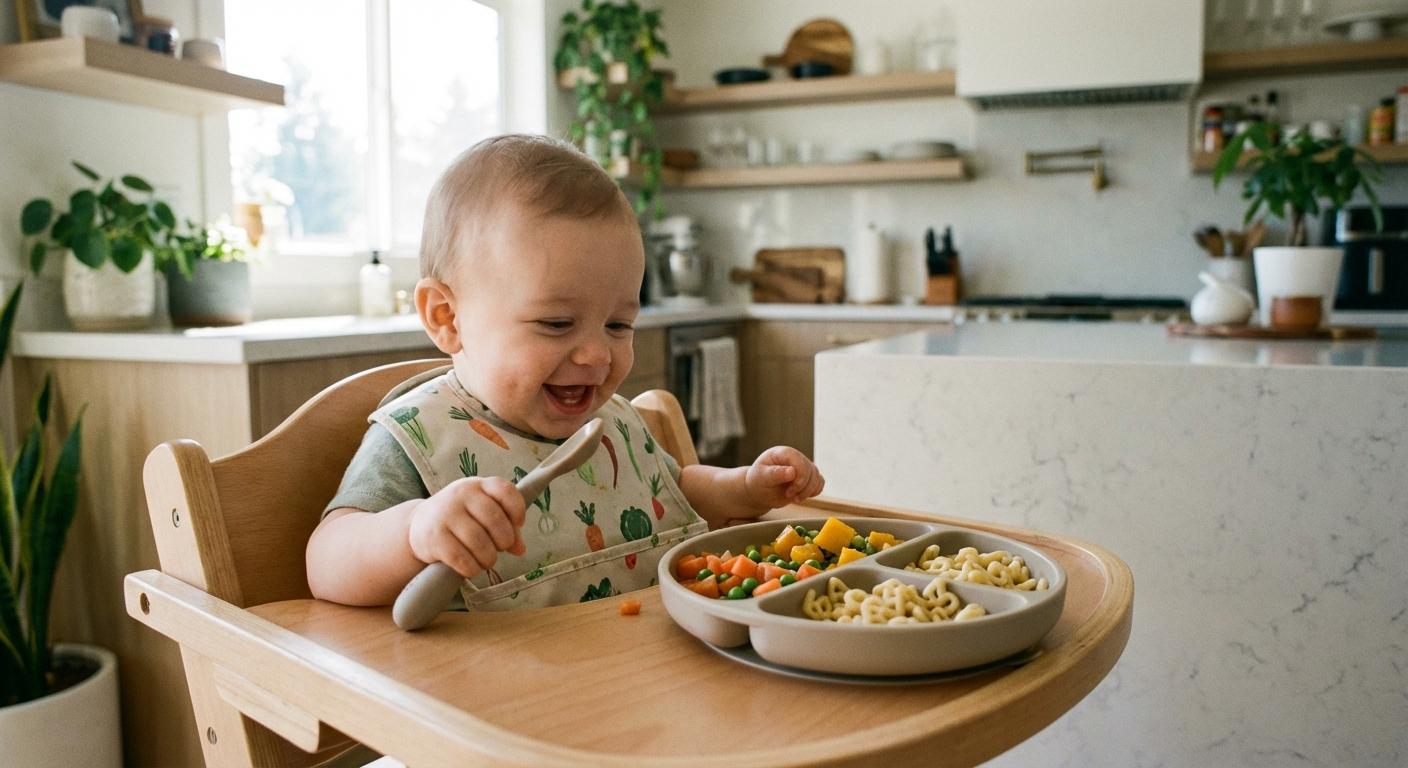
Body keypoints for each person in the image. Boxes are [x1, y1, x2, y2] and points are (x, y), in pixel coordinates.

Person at [306, 134, 825, 609]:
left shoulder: (614, 422)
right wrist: (414, 530)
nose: (597, 354)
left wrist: (743, 489)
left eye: (619, 324)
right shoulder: (420, 436)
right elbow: (326, 562)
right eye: (556, 323)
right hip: (501, 698)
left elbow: (675, 491)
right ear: (447, 318)